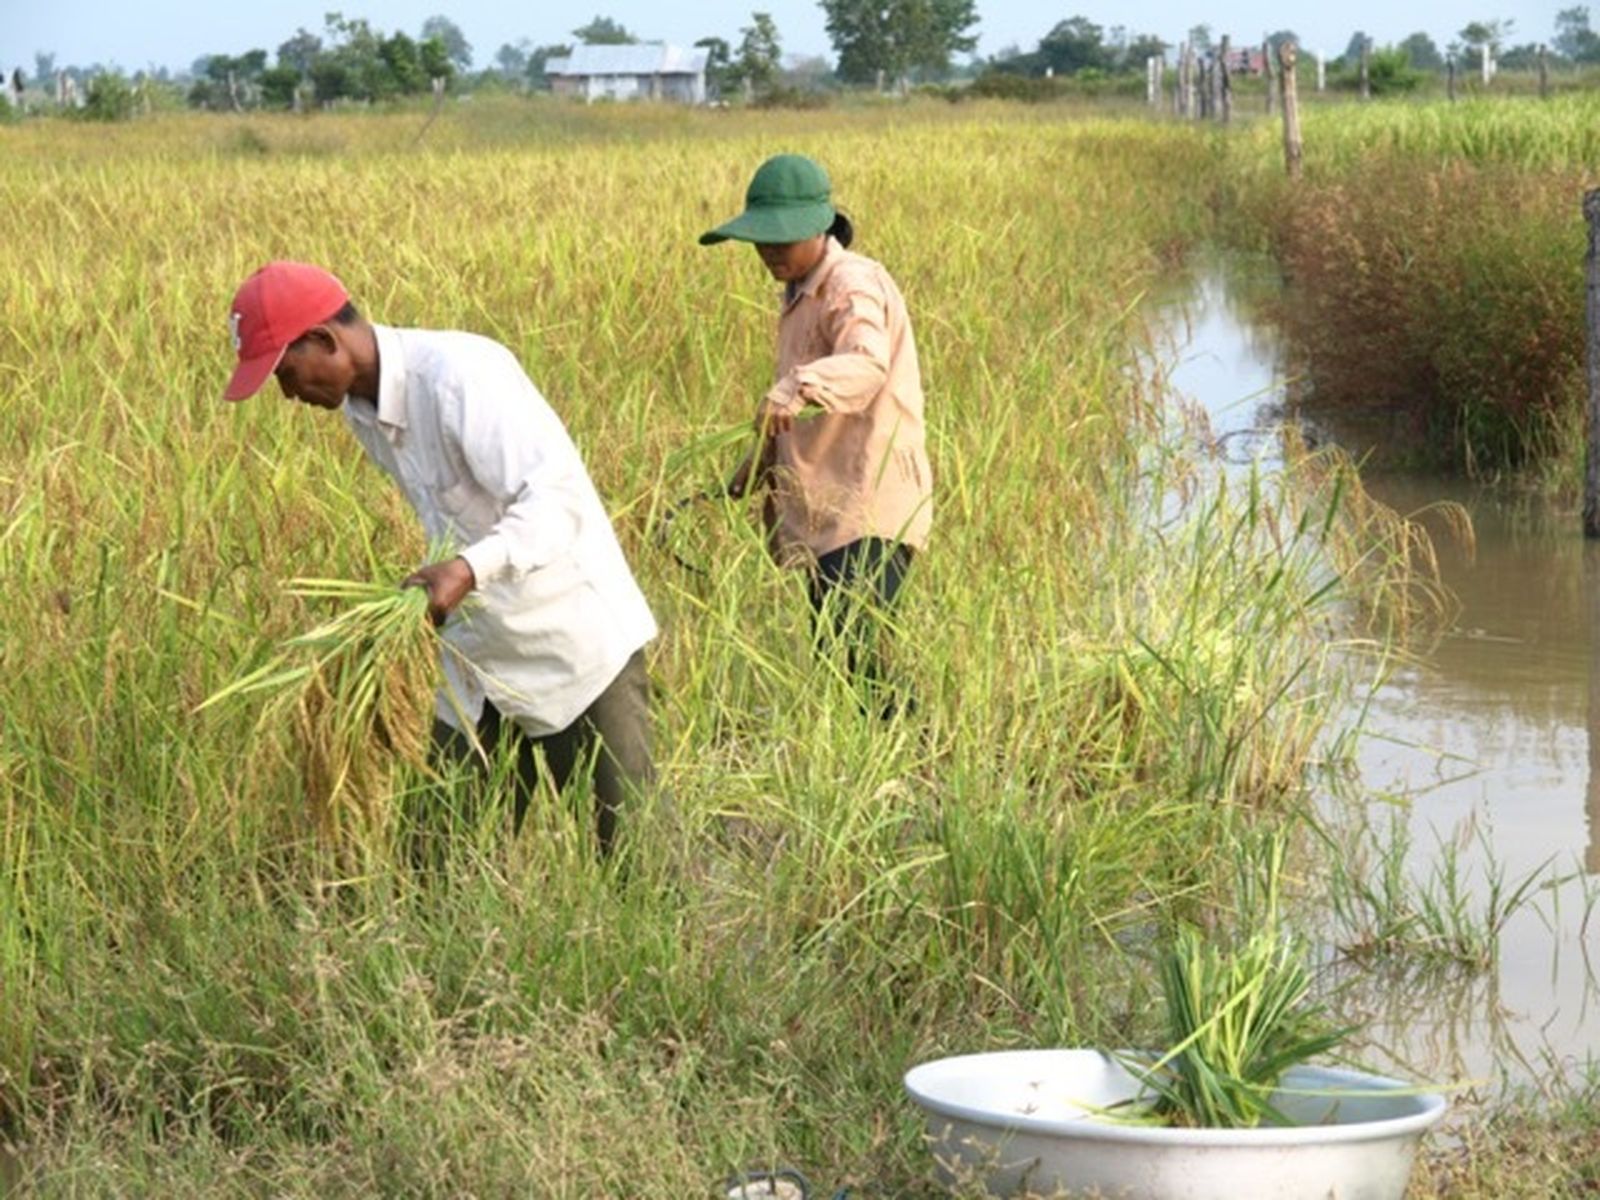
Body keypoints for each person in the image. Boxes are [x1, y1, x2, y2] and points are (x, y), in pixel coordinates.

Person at [221, 261, 657, 859]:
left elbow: (557, 501)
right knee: (434, 857)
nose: (289, 395)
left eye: (285, 374)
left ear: (324, 339)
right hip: (480, 658)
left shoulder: (461, 378)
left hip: (571, 649)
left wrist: (467, 569)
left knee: (636, 852)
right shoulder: (362, 409)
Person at [699, 154, 932, 711]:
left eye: (782, 240)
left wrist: (795, 387)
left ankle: (909, 766)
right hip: (830, 504)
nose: (769, 252)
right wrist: (754, 470)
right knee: (838, 652)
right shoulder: (801, 290)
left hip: (867, 502)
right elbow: (800, 416)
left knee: (856, 652)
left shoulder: (850, 285)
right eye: (761, 241)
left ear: (820, 226)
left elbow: (867, 362)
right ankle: (883, 769)